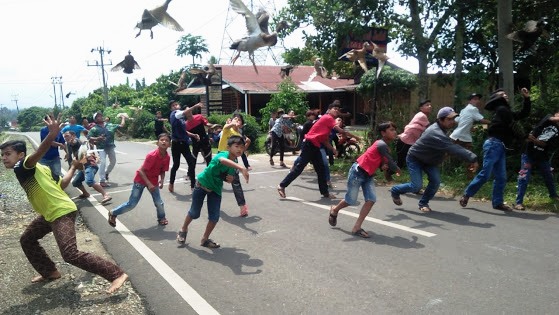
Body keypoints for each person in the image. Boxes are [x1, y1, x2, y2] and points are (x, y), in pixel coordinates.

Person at [0, 115, 128, 294]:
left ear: (20, 155)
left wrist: (52, 134)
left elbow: (38, 153)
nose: (4, 158)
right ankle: (50, 272)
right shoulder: (40, 169)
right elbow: (61, 184)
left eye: (7, 154)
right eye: (2, 155)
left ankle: (116, 274)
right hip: (50, 213)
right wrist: (74, 167)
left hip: (61, 212)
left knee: (69, 254)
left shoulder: (22, 165)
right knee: (27, 239)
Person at [390, 107, 478, 213]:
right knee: (416, 186)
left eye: (453, 119)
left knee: (435, 182)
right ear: (440, 120)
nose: (452, 122)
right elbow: (452, 148)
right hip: (415, 158)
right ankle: (395, 190)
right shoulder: (436, 132)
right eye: (449, 119)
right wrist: (472, 158)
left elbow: (449, 147)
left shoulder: (442, 129)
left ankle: (423, 203)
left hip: (430, 160)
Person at [460, 88, 531, 212]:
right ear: (498, 99)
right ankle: (467, 194)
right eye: (503, 94)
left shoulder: (505, 111)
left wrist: (526, 98)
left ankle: (497, 203)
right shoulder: (502, 110)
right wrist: (524, 137)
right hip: (494, 145)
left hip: (500, 146)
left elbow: (522, 114)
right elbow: (513, 125)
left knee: (501, 177)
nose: (506, 95)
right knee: (486, 174)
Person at [328, 122, 401, 238]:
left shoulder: (384, 146)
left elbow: (382, 161)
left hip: (368, 175)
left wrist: (382, 166)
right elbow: (390, 161)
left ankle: (357, 227)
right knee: (350, 200)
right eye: (391, 130)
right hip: (358, 172)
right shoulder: (381, 144)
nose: (394, 132)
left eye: (394, 130)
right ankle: (334, 210)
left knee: (371, 200)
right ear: (383, 133)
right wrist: (397, 170)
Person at [176, 135, 250, 249]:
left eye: (241, 147)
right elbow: (222, 161)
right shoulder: (222, 155)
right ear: (228, 147)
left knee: (214, 217)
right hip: (201, 184)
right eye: (236, 146)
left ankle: (205, 239)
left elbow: (228, 177)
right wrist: (241, 168)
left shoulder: (234, 161)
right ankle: (183, 229)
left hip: (215, 189)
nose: (239, 149)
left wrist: (229, 179)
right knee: (194, 213)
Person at [277, 102, 347, 199]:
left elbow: (324, 140)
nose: (336, 110)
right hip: (309, 145)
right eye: (334, 108)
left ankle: (325, 192)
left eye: (338, 109)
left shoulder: (327, 123)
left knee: (321, 169)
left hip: (315, 146)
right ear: (329, 110)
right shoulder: (328, 118)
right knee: (299, 168)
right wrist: (349, 135)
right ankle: (282, 186)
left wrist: (333, 149)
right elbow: (340, 130)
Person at [108, 133, 171, 227]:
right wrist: (149, 184)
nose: (164, 141)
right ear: (157, 143)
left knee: (159, 202)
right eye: (162, 140)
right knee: (132, 204)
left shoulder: (167, 157)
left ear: (169, 144)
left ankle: (161, 218)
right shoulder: (152, 155)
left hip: (153, 181)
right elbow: (141, 171)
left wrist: (162, 180)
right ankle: (113, 213)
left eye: (166, 140)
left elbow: (163, 170)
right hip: (140, 180)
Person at [514, 111, 559, 210]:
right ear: (556, 114)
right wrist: (536, 141)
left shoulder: (558, 131)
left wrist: (534, 140)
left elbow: (545, 144)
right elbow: (552, 119)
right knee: (524, 177)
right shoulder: (549, 117)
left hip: (542, 157)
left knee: (549, 176)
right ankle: (518, 202)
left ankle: (554, 196)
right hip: (528, 154)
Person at [450, 93, 491, 179]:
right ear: (470, 100)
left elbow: (458, 121)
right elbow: (482, 120)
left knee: (469, 159)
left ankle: (470, 178)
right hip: (460, 137)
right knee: (470, 159)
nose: (477, 101)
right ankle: (470, 177)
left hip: (459, 137)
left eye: (478, 99)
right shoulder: (473, 109)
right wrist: (494, 123)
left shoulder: (464, 110)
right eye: (474, 99)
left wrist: (470, 127)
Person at [218, 114, 250, 217]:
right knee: (216, 182)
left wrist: (247, 144)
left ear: (241, 124)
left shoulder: (239, 136)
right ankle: (213, 203)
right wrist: (231, 122)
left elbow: (240, 151)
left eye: (239, 120)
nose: (237, 121)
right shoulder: (227, 128)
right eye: (235, 118)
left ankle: (242, 206)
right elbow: (227, 126)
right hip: (221, 158)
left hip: (232, 159)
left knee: (236, 182)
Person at [87, 112, 127, 186]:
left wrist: (123, 118)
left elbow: (121, 125)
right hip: (101, 147)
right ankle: (102, 180)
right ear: (95, 119)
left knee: (113, 161)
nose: (100, 117)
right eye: (98, 116)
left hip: (110, 146)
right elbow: (89, 138)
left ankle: (106, 173)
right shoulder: (94, 129)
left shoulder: (110, 125)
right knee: (103, 162)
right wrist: (98, 138)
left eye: (101, 115)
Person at [168, 100, 197, 193]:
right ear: (171, 108)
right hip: (176, 144)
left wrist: (193, 135)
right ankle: (171, 183)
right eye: (173, 105)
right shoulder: (174, 114)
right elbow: (185, 112)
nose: (175, 106)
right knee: (176, 164)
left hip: (184, 143)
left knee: (191, 163)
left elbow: (184, 131)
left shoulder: (181, 118)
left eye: (176, 104)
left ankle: (193, 185)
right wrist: (196, 105)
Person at [395, 100, 432, 168]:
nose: (430, 106)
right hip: (405, 142)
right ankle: (387, 170)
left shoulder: (421, 115)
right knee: (400, 164)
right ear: (421, 108)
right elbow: (430, 129)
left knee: (410, 161)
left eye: (430, 105)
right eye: (427, 105)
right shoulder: (422, 116)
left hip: (409, 142)